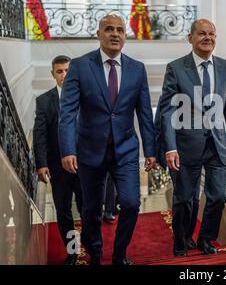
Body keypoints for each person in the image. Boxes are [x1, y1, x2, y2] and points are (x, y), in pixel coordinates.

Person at [58, 14, 157, 265]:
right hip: (89, 150)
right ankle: (95, 253)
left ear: (126, 36)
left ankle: (120, 254)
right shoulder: (80, 66)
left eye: (121, 30)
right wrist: (68, 149)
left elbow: (145, 113)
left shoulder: (137, 68)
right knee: (90, 210)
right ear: (99, 34)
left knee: (131, 204)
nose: (115, 34)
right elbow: (67, 112)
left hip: (125, 150)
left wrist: (151, 150)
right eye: (109, 29)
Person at [159, 19, 226, 257]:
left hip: (217, 143)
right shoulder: (176, 67)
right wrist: (170, 147)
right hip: (186, 144)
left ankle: (206, 239)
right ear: (191, 38)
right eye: (202, 33)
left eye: (212, 34)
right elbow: (168, 111)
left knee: (218, 195)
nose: (208, 38)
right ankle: (181, 240)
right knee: (184, 198)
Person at [33, 55, 83, 265]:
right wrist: (41, 163)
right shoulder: (44, 100)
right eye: (60, 71)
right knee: (63, 213)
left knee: (88, 208)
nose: (64, 75)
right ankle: (73, 251)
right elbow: (40, 134)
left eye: (68, 71)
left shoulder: (86, 97)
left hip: (85, 166)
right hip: (58, 168)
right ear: (53, 74)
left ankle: (92, 244)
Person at [155, 100, 201, 250]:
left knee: (195, 199)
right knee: (183, 197)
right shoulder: (169, 92)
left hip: (196, 152)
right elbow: (159, 125)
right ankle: (180, 239)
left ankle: (187, 235)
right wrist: (157, 153)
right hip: (176, 154)